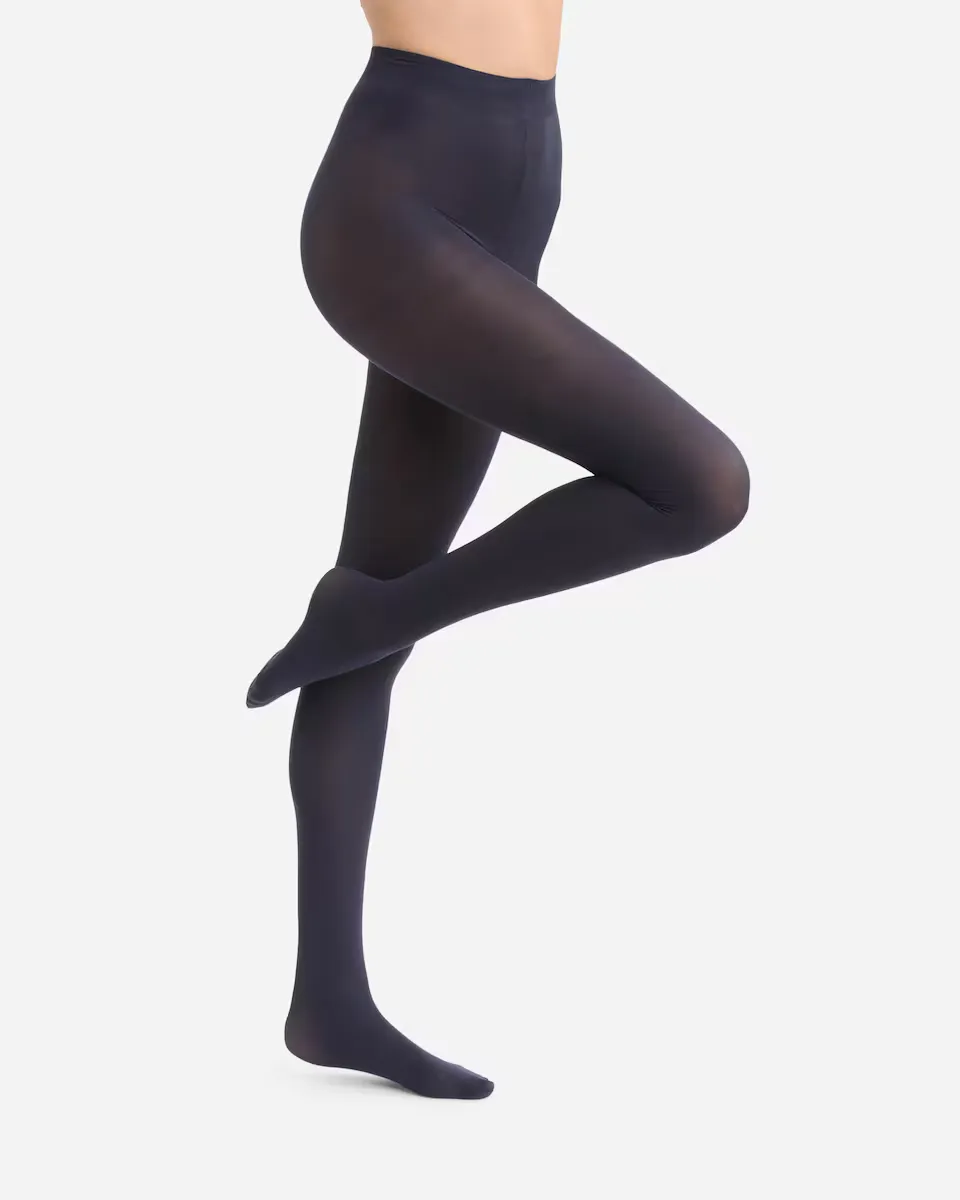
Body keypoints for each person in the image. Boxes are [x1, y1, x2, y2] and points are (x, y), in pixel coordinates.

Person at [246, 0, 750, 1100]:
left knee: (372, 617)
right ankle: (370, 613)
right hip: (398, 198)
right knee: (702, 484)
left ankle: (328, 1000)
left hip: (513, 178)